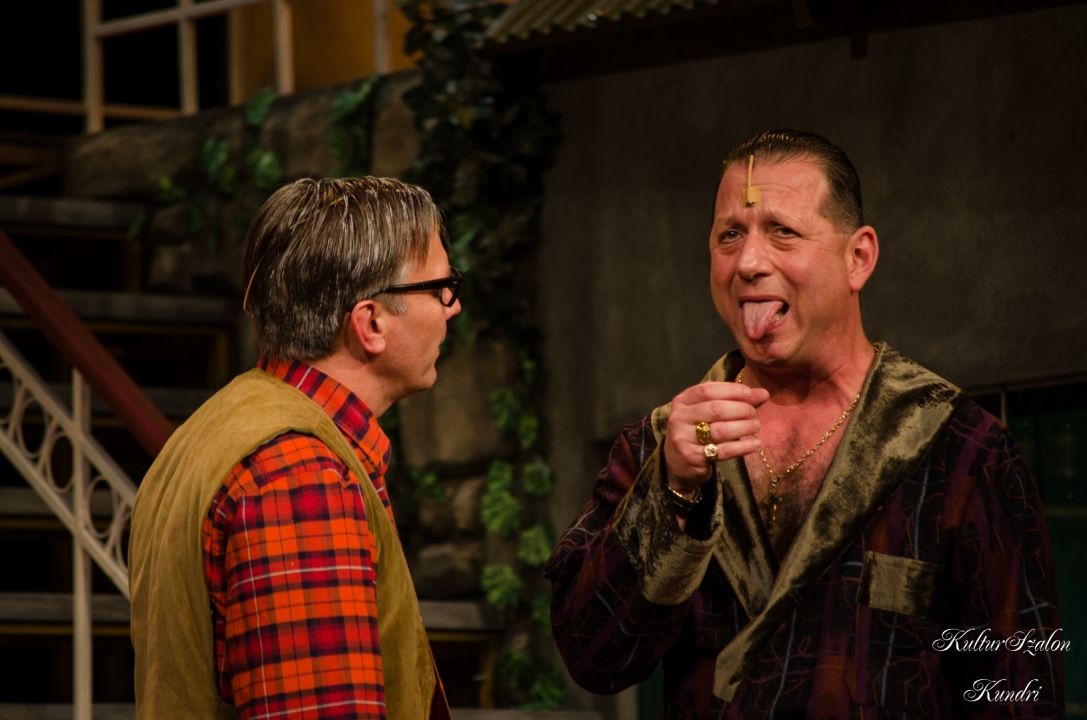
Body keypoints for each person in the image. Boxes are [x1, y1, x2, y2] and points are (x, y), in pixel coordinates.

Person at [544, 131, 1065, 717]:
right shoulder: (661, 447)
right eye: (729, 235)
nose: (748, 262)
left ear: (858, 258)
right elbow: (594, 659)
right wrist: (672, 491)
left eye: (783, 232)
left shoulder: (961, 450)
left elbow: (1021, 688)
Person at [129, 177, 459, 720]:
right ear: (372, 323)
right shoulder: (298, 473)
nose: (453, 307)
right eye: (441, 287)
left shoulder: (215, 427)